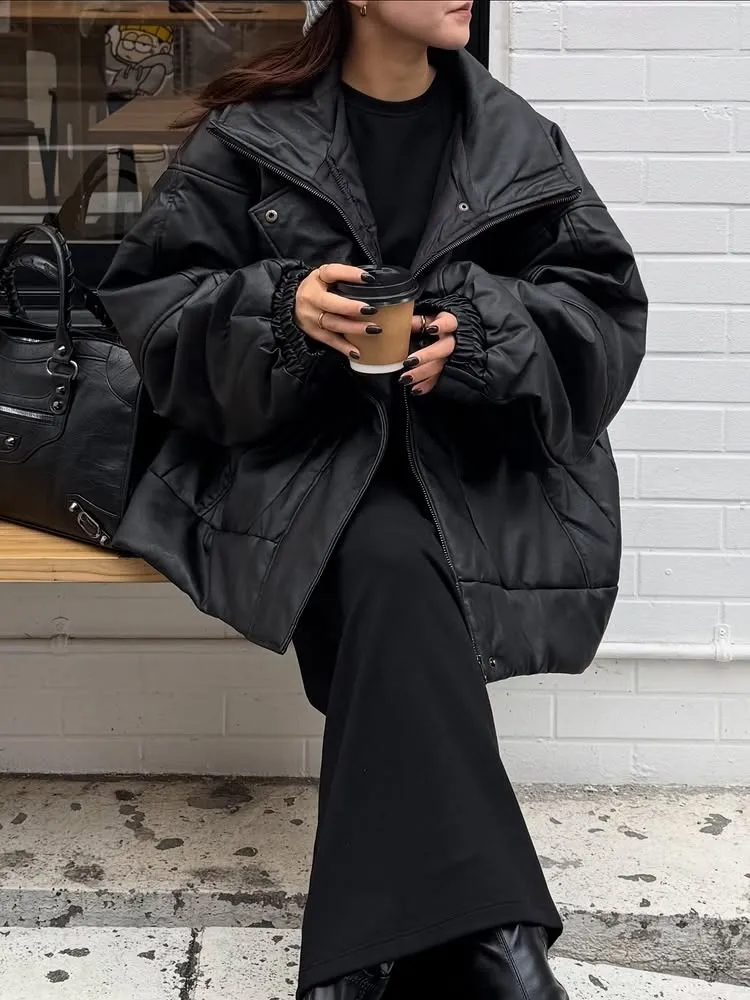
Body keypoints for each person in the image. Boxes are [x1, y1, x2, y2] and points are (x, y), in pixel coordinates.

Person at [98, 1, 648, 997]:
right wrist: (281, 310)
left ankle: (373, 963)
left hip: (465, 467)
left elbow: (604, 321)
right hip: (299, 461)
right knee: (390, 562)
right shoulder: (253, 136)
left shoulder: (517, 141)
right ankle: (497, 942)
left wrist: (481, 340)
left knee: (395, 571)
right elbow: (153, 308)